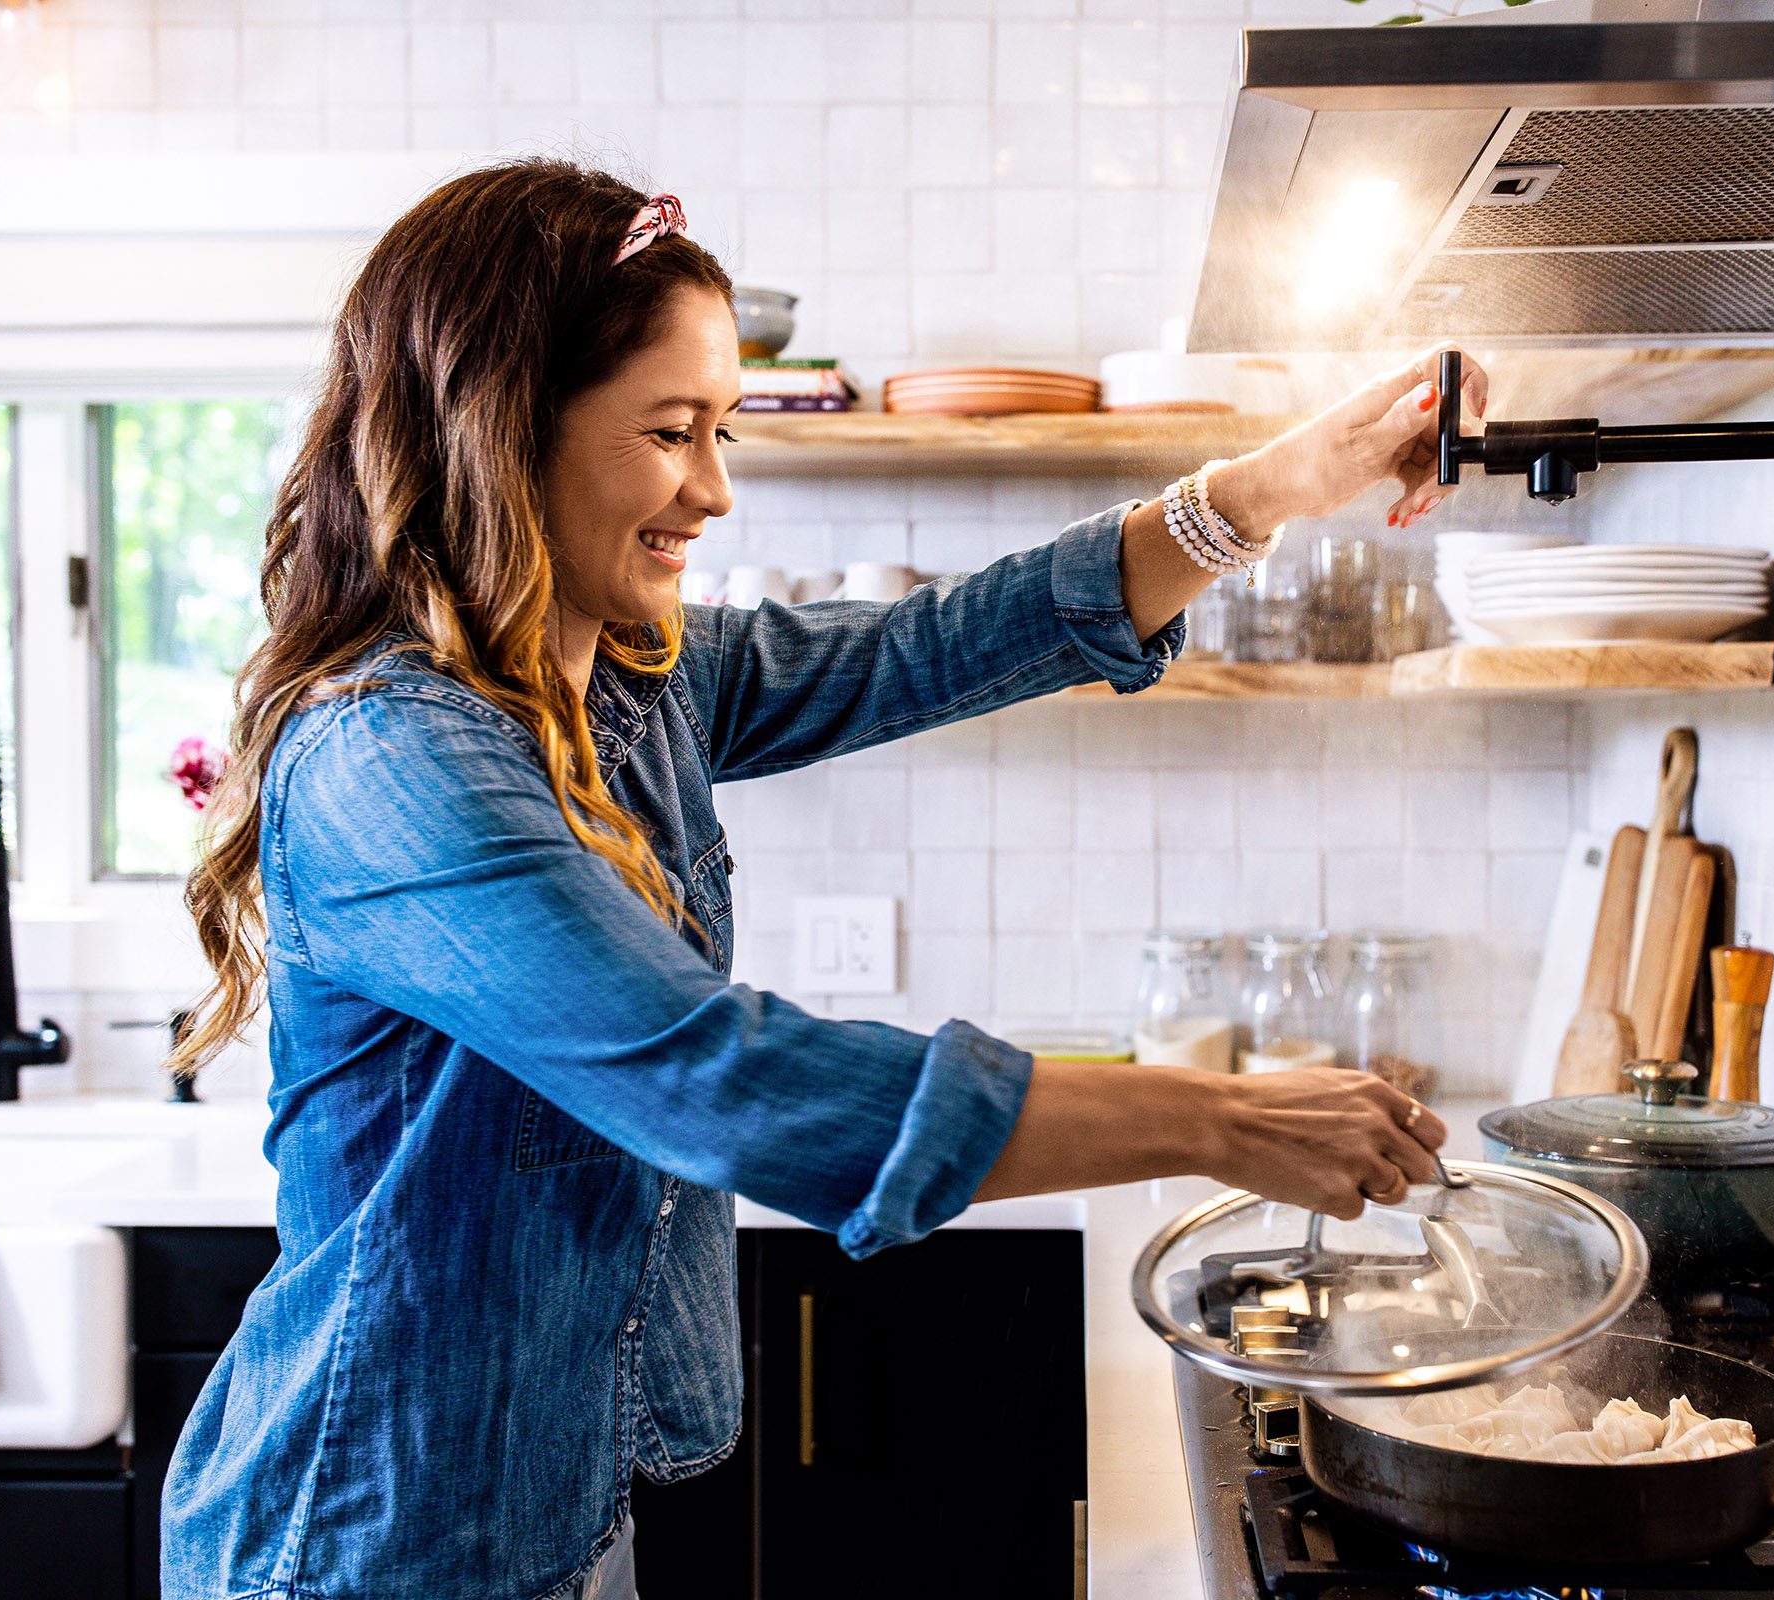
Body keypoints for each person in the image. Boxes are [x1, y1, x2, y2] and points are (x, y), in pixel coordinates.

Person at [160, 159, 1489, 1600]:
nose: (715, 489)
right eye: (673, 433)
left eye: (722, 429)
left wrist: (1272, 487)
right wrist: (1215, 1117)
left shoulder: (630, 680)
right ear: (501, 433)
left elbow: (926, 646)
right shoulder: (389, 763)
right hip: (362, 1540)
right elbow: (712, 1078)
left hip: (548, 1506)